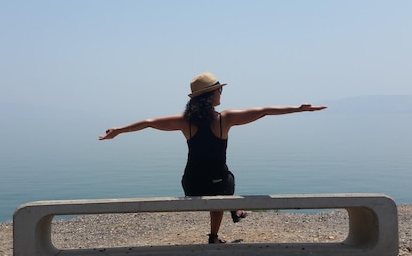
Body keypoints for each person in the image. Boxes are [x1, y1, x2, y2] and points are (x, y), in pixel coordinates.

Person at [99, 72, 327, 244]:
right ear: (210, 95)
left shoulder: (184, 121)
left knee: (220, 180)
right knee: (225, 179)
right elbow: (264, 110)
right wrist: (297, 109)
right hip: (218, 184)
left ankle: (232, 211)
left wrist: (118, 130)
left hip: (191, 184)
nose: (221, 93)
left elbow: (148, 122)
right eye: (219, 90)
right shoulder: (224, 119)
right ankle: (216, 233)